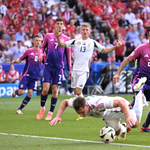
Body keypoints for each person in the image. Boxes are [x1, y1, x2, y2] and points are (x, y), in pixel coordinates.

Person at [55, 22, 122, 120]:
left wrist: (115, 47)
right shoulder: (76, 41)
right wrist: (58, 37)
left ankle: (85, 107)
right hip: (75, 70)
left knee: (78, 91)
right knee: (75, 92)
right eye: (83, 30)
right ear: (81, 31)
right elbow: (62, 44)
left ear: (89, 31)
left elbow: (104, 50)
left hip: (84, 70)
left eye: (87, 30)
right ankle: (81, 110)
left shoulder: (92, 42)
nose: (85, 31)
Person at [50, 92, 143, 140]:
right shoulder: (76, 103)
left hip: (119, 108)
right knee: (117, 133)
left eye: (82, 112)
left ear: (86, 105)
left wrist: (127, 117)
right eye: (78, 113)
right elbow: (65, 102)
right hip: (106, 115)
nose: (81, 115)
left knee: (135, 124)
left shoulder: (99, 103)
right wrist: (58, 116)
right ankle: (123, 128)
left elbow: (120, 102)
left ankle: (139, 94)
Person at [113, 28, 150, 132]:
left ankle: (145, 126)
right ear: (148, 37)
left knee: (136, 101)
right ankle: (128, 123)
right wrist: (117, 73)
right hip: (140, 80)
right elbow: (128, 59)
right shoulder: (141, 48)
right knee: (139, 97)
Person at [36, 18, 72, 121]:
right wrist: (41, 53)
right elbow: (42, 47)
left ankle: (50, 112)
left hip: (59, 68)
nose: (59, 26)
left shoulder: (66, 39)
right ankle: (42, 108)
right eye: (58, 24)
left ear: (63, 26)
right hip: (48, 66)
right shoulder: (48, 36)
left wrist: (70, 69)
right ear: (54, 25)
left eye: (61, 24)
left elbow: (68, 55)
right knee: (45, 89)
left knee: (55, 90)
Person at [11, 34, 44, 115]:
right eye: (36, 40)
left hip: (35, 77)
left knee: (30, 93)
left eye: (39, 40)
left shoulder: (42, 52)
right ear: (33, 41)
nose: (38, 42)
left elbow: (46, 62)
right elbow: (21, 58)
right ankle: (16, 91)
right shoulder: (28, 51)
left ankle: (19, 109)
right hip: (26, 75)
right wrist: (15, 61)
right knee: (21, 92)